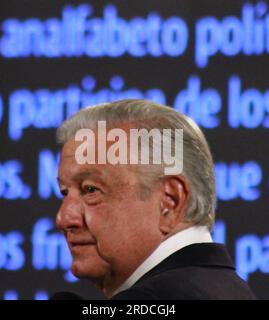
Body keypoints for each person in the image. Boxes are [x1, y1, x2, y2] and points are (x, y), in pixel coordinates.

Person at [55, 99, 255, 299]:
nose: (63, 219)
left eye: (90, 190)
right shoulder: (230, 289)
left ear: (170, 201)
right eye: (64, 192)